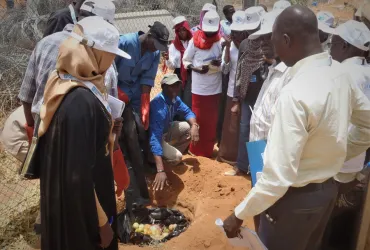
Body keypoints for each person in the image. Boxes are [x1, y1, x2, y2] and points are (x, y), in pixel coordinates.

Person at [223, 6, 370, 250]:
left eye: (273, 41)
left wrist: (238, 214)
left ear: (286, 40)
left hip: (292, 202)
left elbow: (278, 178)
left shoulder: (295, 92)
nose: (271, 48)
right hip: (325, 193)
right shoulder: (340, 74)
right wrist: (338, 154)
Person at [35, 16, 130, 250]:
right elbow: (79, 175)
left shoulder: (61, 82)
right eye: (110, 54)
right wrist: (101, 224)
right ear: (94, 54)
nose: (112, 60)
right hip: (82, 216)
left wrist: (106, 129)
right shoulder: (81, 102)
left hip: (63, 202)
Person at [322, 20, 370, 250]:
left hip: (338, 159)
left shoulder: (342, 73)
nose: (330, 48)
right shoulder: (365, 71)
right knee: (343, 217)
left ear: (345, 46)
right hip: (356, 159)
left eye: (333, 43)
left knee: (325, 218)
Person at [115, 21, 169, 206]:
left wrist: (145, 100)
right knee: (125, 132)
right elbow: (108, 70)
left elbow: (147, 78)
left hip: (137, 94)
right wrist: (116, 92)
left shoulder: (154, 53)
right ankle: (127, 173)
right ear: (149, 36)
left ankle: (144, 166)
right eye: (156, 44)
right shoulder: (124, 43)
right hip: (117, 94)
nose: (156, 49)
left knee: (141, 127)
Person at [227, 10, 278, 176]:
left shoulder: (274, 51)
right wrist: (236, 99)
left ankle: (260, 171)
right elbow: (239, 72)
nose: (250, 33)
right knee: (245, 131)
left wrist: (270, 61)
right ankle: (243, 166)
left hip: (265, 95)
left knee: (265, 135)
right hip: (248, 94)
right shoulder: (244, 44)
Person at [218, 9, 259, 165]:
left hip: (248, 92)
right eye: (233, 33)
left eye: (238, 33)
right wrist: (227, 49)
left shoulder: (251, 47)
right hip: (232, 90)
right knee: (231, 127)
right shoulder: (233, 47)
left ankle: (244, 160)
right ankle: (229, 157)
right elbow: (225, 69)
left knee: (244, 127)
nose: (235, 36)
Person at [149, 74, 200, 191]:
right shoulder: (158, 107)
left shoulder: (175, 99)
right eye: (172, 86)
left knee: (188, 127)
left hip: (167, 130)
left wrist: (195, 125)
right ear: (164, 87)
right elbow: (154, 139)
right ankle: (157, 163)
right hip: (158, 137)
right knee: (177, 157)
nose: (176, 88)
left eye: (177, 85)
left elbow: (188, 112)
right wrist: (160, 170)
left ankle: (167, 154)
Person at [183, 10, 222, 158]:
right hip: (199, 89)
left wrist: (219, 63)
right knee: (198, 120)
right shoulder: (195, 41)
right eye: (207, 31)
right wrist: (196, 69)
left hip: (214, 88)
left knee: (210, 123)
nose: (210, 35)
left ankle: (207, 152)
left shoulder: (220, 42)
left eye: (212, 32)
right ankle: (195, 150)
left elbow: (226, 64)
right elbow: (186, 60)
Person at [165, 16, 193, 109]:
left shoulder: (192, 42)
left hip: (191, 72)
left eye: (183, 30)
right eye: (179, 30)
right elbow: (172, 66)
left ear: (187, 30)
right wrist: (168, 59)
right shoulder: (173, 46)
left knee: (188, 98)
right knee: (178, 97)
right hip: (178, 74)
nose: (182, 32)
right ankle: (178, 120)